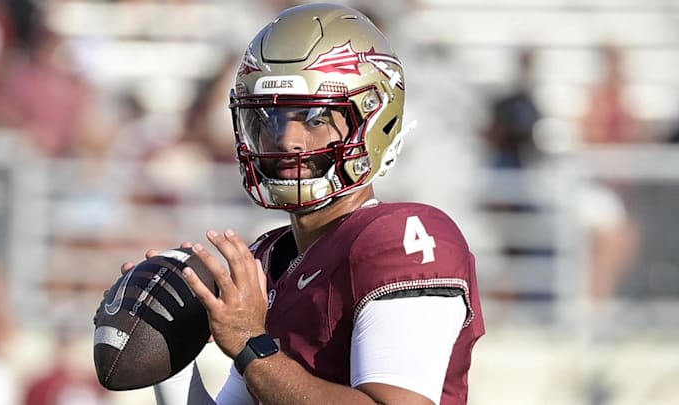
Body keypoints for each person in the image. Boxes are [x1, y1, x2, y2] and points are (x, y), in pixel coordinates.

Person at [120, 4, 484, 404]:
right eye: (270, 118)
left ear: (374, 121)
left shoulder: (403, 238)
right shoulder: (267, 257)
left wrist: (251, 346)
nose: (287, 140)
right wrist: (172, 348)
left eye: (314, 117)